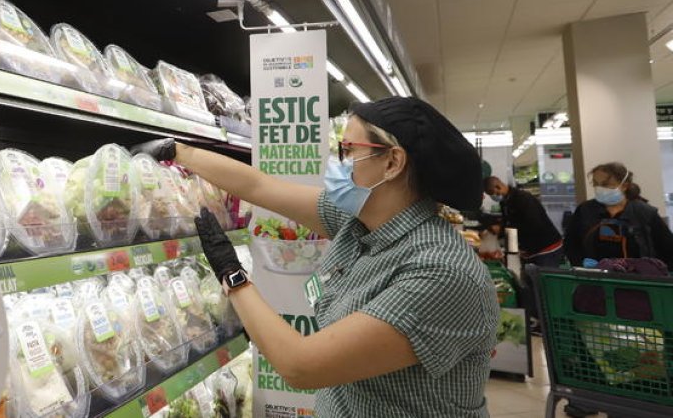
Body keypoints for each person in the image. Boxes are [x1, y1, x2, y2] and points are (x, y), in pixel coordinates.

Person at [135, 97, 497, 418]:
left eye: (348, 151)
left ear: (392, 163)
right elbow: (261, 187)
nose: (337, 164)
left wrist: (233, 274)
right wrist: (176, 152)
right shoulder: (362, 221)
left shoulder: (441, 273)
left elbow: (300, 366)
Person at [564, 162, 673, 268]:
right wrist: (580, 264)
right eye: (596, 184)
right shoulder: (585, 210)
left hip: (637, 279)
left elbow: (667, 248)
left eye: (605, 184)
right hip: (595, 277)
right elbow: (571, 243)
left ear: (624, 186)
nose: (599, 188)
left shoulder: (644, 213)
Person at [483, 176, 564, 267]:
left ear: (498, 187)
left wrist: (501, 229)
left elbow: (533, 224)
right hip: (529, 249)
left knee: (543, 278)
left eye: (491, 193)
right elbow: (508, 222)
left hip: (546, 248)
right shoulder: (505, 202)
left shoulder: (523, 198)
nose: (492, 196)